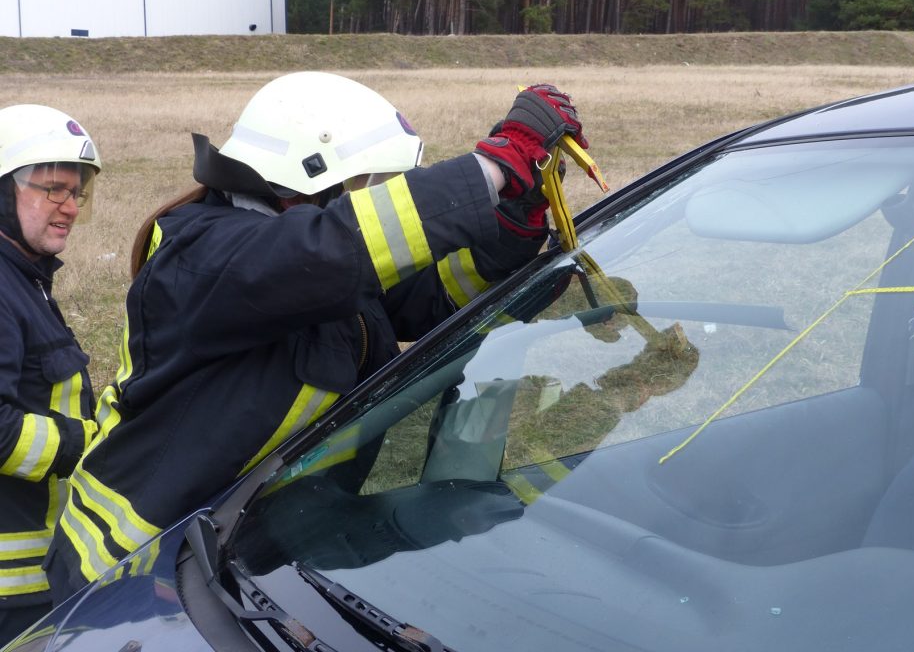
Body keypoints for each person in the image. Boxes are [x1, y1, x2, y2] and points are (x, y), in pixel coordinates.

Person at [43, 72, 587, 603]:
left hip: (242, 554)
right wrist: (492, 166)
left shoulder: (318, 260)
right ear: (308, 179)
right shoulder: (202, 256)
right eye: (364, 185)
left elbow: (433, 298)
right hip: (128, 563)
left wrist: (513, 213)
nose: (375, 197)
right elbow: (326, 252)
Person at [0, 105, 102, 644]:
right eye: (52, 190)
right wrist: (92, 444)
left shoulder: (24, 276)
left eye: (76, 192)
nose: (69, 208)